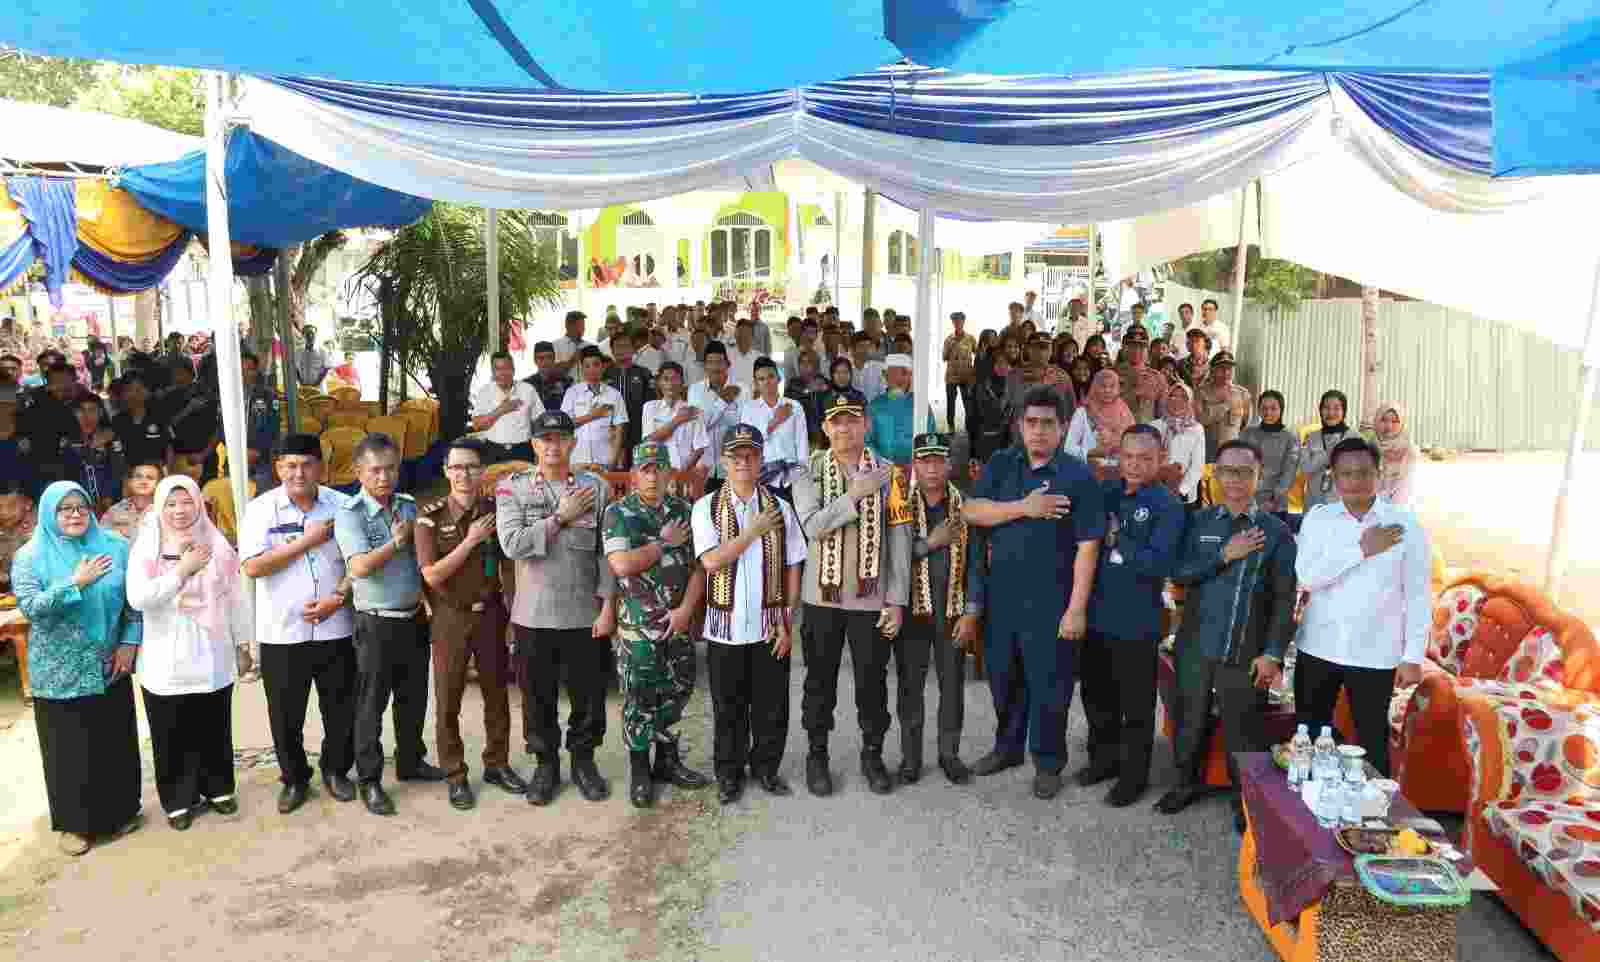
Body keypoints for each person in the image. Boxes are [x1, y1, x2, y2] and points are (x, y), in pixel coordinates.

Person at [961, 387, 1105, 799]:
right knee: (1003, 680)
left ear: (1062, 427)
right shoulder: (1003, 464)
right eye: (1031, 423)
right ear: (1019, 425)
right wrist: (1024, 507)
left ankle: (1047, 762)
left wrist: (1076, 608)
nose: (1038, 431)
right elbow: (971, 511)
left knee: (1049, 686)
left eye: (1047, 423)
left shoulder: (1078, 475)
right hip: (1002, 597)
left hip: (1052, 602)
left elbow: (1089, 545)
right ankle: (1007, 749)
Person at [1155, 438, 1298, 829]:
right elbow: (1179, 573)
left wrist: (1272, 653)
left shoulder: (1276, 533)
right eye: (1227, 471)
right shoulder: (1200, 523)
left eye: (1244, 472)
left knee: (1243, 732)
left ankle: (1244, 802)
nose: (1234, 479)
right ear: (1214, 475)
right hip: (1196, 645)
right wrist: (1224, 555)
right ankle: (1184, 784)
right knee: (1189, 719)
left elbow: (1286, 599)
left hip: (1245, 650)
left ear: (1258, 476)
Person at [13, 481, 144, 855]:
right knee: (69, 751)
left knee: (114, 743)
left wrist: (130, 643)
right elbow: (31, 608)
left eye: (81, 507)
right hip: (60, 672)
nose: (74, 515)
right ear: (49, 514)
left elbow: (132, 604)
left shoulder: (116, 547)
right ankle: (75, 826)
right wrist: (75, 583)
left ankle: (119, 813)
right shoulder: (31, 556)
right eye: (65, 509)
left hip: (109, 663)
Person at [496, 411, 618, 805]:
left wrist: (607, 605)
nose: (552, 446)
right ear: (533, 445)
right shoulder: (512, 490)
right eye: (544, 439)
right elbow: (512, 544)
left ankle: (584, 761)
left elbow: (606, 551)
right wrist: (559, 518)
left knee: (588, 695)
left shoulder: (596, 488)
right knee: (537, 696)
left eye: (560, 438)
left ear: (572, 443)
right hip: (534, 614)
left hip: (584, 612)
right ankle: (546, 764)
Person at [793, 390, 909, 796]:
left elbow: (899, 538)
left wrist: (896, 599)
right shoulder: (806, 470)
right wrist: (856, 494)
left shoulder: (890, 472)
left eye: (852, 419)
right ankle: (817, 755)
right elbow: (813, 526)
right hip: (822, 599)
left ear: (866, 424)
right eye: (836, 420)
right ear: (825, 428)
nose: (844, 427)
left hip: (871, 598)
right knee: (818, 682)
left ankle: (872, 754)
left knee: (872, 682)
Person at [1294, 437, 1431, 777]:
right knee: (1308, 737)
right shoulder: (1319, 519)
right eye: (1346, 474)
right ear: (1334, 477)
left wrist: (1413, 656)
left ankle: (1373, 820)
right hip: (1318, 647)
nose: (1355, 481)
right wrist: (1361, 549)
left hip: (1375, 654)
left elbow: (1417, 594)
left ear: (1379, 474)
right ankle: (1310, 816)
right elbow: (1307, 576)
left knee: (1371, 743)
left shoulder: (1405, 525)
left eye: (1364, 473)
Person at [239, 434, 358, 815]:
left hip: (336, 624)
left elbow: (361, 562)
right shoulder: (260, 510)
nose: (298, 472)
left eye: (306, 464)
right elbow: (253, 566)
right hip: (282, 631)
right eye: (290, 465)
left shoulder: (343, 506)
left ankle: (336, 770)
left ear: (320, 468)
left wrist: (337, 599)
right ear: (277, 468)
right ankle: (294, 779)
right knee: (285, 712)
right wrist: (306, 542)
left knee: (340, 707)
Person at [126, 475, 249, 831]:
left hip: (211, 651)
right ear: (160, 507)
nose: (180, 511)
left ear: (198, 503)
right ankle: (178, 800)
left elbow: (235, 599)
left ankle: (218, 787)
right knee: (171, 730)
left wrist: (243, 644)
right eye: (171, 503)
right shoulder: (147, 547)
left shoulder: (216, 543)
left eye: (187, 502)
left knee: (213, 724)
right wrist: (182, 570)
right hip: (166, 656)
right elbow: (139, 598)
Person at [693, 425, 807, 804]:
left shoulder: (781, 506)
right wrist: (753, 531)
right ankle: (729, 774)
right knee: (729, 707)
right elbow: (710, 561)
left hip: (770, 626)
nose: (743, 462)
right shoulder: (705, 507)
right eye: (735, 456)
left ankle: (766, 769)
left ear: (760, 460)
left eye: (751, 455)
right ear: (724, 461)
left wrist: (788, 622)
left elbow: (793, 564)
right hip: (725, 630)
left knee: (772, 706)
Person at [335, 433, 444, 816]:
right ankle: (369, 779)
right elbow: (360, 566)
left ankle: (411, 761)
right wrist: (396, 542)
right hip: (375, 623)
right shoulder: (351, 514)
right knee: (370, 705)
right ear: (359, 472)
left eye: (391, 469)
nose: (384, 477)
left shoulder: (408, 505)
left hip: (413, 618)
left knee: (413, 697)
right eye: (375, 470)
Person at [413, 439, 525, 811]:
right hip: (450, 616)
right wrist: (471, 540)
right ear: (446, 471)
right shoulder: (430, 516)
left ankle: (497, 763)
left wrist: (513, 612)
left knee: (497, 693)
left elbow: (509, 566)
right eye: (457, 467)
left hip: (492, 614)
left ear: (482, 472)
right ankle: (455, 774)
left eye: (472, 467)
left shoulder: (496, 510)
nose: (464, 474)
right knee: (449, 698)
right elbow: (431, 574)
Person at [1076, 425, 1185, 807]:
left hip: (1137, 620)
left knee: (1135, 705)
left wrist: (1119, 537)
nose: (1135, 465)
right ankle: (1103, 760)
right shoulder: (1106, 492)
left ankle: (1133, 777)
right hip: (1095, 615)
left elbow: (1158, 562)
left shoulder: (1168, 505)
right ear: (1118, 457)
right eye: (1129, 457)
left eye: (1145, 458)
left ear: (1160, 460)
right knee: (1095, 696)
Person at [602, 441, 712, 808]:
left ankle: (667, 762)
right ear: (634, 475)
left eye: (659, 469)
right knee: (638, 699)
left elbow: (700, 567)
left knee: (677, 691)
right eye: (645, 470)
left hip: (678, 624)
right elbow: (621, 565)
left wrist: (685, 612)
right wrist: (662, 544)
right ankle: (639, 771)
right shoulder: (618, 513)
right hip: (639, 630)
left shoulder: (685, 511)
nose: (652, 476)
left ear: (669, 473)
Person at [902, 434, 982, 784]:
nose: (932, 468)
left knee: (952, 686)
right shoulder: (899, 505)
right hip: (912, 610)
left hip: (952, 610)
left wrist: (971, 611)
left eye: (938, 461)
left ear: (948, 465)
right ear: (915, 465)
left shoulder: (965, 505)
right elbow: (888, 559)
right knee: (910, 686)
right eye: (925, 461)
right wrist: (929, 544)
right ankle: (911, 758)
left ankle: (949, 754)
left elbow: (978, 565)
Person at [740, 357, 807, 500]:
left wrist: (801, 476)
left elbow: (802, 445)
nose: (767, 382)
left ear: (779, 378)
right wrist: (774, 422)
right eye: (761, 379)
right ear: (756, 384)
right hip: (763, 479)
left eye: (771, 376)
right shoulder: (749, 409)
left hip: (792, 477)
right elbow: (748, 444)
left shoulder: (794, 406)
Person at [641, 361, 709, 488]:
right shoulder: (650, 407)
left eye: (675, 379)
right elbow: (648, 442)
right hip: (657, 476)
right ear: (659, 383)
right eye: (665, 379)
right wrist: (677, 420)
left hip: (686, 477)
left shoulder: (694, 410)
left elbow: (699, 448)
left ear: (682, 383)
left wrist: (680, 474)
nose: (670, 384)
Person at [562, 346, 627, 472]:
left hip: (604, 461)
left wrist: (612, 462)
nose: (592, 369)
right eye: (587, 366)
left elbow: (619, 431)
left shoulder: (614, 395)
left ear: (602, 367)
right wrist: (593, 415)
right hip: (577, 460)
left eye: (596, 365)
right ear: (581, 369)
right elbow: (565, 424)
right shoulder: (572, 392)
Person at [470, 350, 541, 464]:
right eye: (498, 369)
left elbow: (539, 423)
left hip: (523, 451)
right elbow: (476, 425)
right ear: (493, 372)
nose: (502, 373)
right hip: (494, 451)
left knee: (524, 481)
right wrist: (501, 410)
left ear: (513, 370)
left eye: (506, 368)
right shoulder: (485, 392)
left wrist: (539, 453)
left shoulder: (528, 390)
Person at [1240, 390, 1301, 518]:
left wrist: (1273, 500)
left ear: (1281, 410)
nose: (1268, 413)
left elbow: (1289, 472)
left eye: (1273, 408)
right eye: (1264, 408)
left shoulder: (1290, 437)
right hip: (1246, 501)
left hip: (1275, 504)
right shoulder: (1247, 433)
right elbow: (1239, 465)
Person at [604, 330, 658, 468]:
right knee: (613, 476)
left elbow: (651, 406)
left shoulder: (644, 373)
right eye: (618, 346)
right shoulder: (604, 374)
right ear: (612, 350)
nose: (622, 350)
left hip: (638, 431)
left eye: (626, 346)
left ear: (633, 349)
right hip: (611, 434)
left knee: (637, 473)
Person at [1065, 369, 1135, 469]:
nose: (1107, 390)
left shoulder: (1124, 412)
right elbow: (1068, 448)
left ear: (1118, 389)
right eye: (1103, 386)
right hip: (1088, 472)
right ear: (1095, 387)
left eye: (1112, 386)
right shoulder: (1083, 412)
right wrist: (1091, 452)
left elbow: (1133, 442)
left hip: (1120, 472)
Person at [64, 394, 124, 511]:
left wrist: (107, 501)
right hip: (78, 509)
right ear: (74, 413)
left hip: (112, 508)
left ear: (101, 413)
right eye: (81, 411)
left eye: (92, 410)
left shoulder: (112, 439)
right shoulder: (67, 443)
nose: (87, 417)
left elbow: (119, 471)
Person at [1300, 389, 1353, 511]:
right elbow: (1305, 468)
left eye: (1336, 408)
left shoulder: (1354, 437)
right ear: (1320, 410)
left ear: (1344, 411)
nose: (1331, 412)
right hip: (1314, 503)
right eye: (1326, 408)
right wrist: (1329, 453)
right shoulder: (1311, 437)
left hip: (1343, 505)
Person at [109, 371, 171, 473]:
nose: (134, 394)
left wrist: (166, 473)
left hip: (157, 476)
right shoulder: (118, 421)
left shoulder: (160, 416)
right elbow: (116, 450)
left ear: (147, 391)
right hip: (131, 476)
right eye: (129, 390)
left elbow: (169, 448)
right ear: (123, 394)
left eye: (139, 389)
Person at [1195, 351, 1251, 462]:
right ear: (1212, 370)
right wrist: (1225, 405)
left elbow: (1244, 424)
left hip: (1231, 451)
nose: (1226, 372)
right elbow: (1199, 420)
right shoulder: (1201, 392)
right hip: (1206, 450)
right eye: (1221, 368)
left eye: (1229, 369)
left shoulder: (1242, 394)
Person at [1156, 383, 1206, 505]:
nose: (1177, 400)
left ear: (1189, 402)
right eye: (1173, 396)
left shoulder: (1196, 429)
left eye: (1183, 397)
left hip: (1184, 495)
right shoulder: (1155, 426)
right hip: (1156, 491)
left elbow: (1197, 466)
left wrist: (1180, 490)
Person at [865, 354, 916, 469]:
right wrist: (881, 464)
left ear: (910, 376)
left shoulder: (920, 405)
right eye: (894, 373)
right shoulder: (874, 406)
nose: (899, 378)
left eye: (904, 373)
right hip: (882, 473)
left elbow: (928, 439)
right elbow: (867, 442)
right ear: (885, 376)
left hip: (914, 472)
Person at [240, 352, 279, 490]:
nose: (244, 374)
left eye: (249, 369)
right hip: (236, 458)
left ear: (256, 371)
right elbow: (221, 427)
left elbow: (273, 428)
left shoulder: (269, 396)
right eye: (241, 369)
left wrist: (257, 451)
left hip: (261, 460)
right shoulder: (228, 396)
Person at [100, 460, 163, 539]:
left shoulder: (164, 511)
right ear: (130, 482)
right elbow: (101, 540)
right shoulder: (114, 511)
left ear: (158, 484)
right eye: (138, 477)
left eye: (150, 478)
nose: (143, 482)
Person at [1374, 401, 1419, 504]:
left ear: (1402, 423)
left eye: (1394, 421)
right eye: (1384, 420)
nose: (1388, 425)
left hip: (1399, 503)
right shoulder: (1371, 446)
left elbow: (1405, 484)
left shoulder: (1408, 450)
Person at [784, 348, 827, 444]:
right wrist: (808, 391)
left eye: (809, 362)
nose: (805, 366)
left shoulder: (825, 384)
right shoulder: (792, 386)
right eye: (802, 362)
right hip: (799, 437)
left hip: (823, 437)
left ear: (816, 365)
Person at [0, 480, 36, 594]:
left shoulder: (46, 529)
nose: (1, 511)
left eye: (1, 506)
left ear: (27, 503)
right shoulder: (6, 527)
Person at [943, 312, 977, 432]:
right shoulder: (948, 339)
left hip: (966, 375)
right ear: (952, 323)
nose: (957, 323)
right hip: (951, 376)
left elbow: (978, 353)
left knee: (968, 402)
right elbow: (944, 357)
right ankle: (950, 426)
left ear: (963, 322)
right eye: (955, 321)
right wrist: (951, 348)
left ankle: (970, 426)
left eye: (960, 320)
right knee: (950, 402)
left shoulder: (971, 338)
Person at [525, 341, 575, 415]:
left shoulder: (567, 382)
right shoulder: (527, 384)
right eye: (541, 358)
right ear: (535, 360)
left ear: (554, 358)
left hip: (563, 424)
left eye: (549, 357)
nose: (546, 362)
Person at [849, 332, 886, 402]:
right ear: (852, 349)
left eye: (868, 346)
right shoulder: (846, 369)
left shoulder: (880, 368)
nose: (866, 350)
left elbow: (884, 393)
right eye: (861, 346)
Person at [552, 310, 590, 377]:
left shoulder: (589, 346)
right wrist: (571, 361)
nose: (583, 329)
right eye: (579, 325)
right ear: (567, 326)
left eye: (583, 325)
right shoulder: (555, 345)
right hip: (566, 387)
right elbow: (553, 371)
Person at [294, 325, 329, 390]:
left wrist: (317, 383)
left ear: (316, 335)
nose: (310, 336)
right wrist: (301, 381)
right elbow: (295, 369)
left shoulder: (323, 351)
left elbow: (326, 368)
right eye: (307, 334)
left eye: (312, 333)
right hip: (303, 387)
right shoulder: (298, 351)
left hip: (319, 387)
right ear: (303, 335)